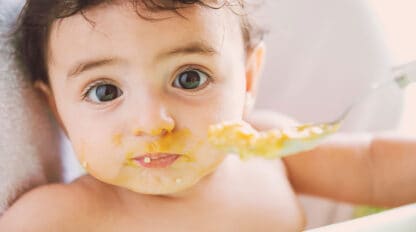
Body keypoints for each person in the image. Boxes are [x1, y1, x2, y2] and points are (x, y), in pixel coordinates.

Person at [0, 0, 415, 231]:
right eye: (105, 91)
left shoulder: (271, 152)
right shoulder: (60, 218)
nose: (152, 122)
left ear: (248, 80)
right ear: (57, 108)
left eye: (190, 78)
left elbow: (373, 164)